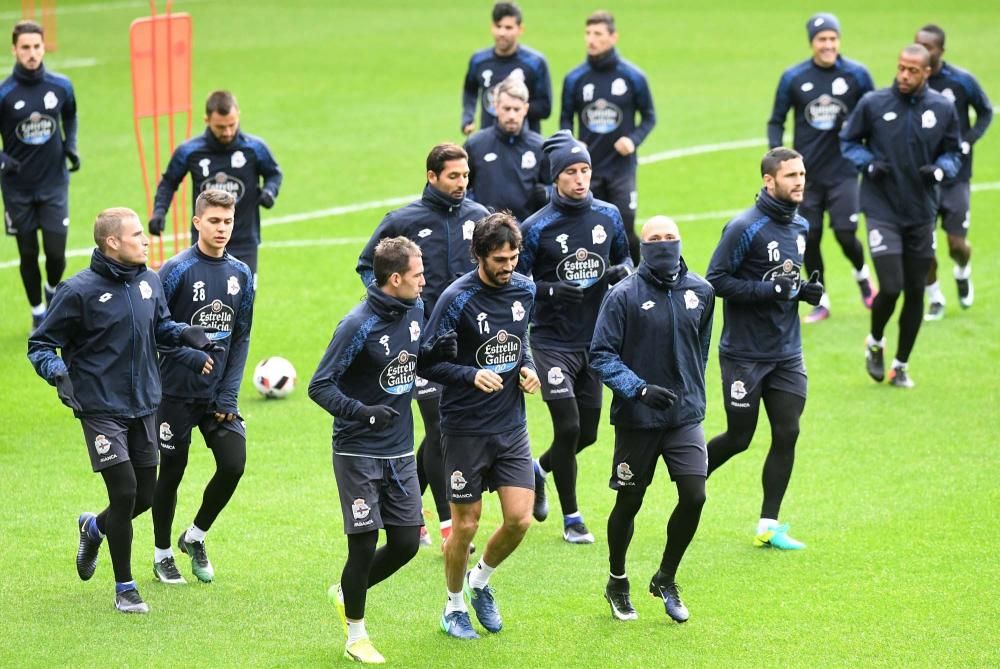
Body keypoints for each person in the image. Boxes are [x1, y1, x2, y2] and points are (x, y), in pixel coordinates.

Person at [27, 207, 218, 614]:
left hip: (145, 402)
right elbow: (40, 345)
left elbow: (160, 328)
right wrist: (57, 371)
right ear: (112, 242)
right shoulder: (77, 292)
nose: (145, 240)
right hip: (99, 407)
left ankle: (93, 527)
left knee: (143, 498)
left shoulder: (150, 281)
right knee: (125, 492)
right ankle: (125, 587)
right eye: (136, 235)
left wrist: (186, 334)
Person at [310, 237, 458, 664]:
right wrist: (362, 413)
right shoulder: (357, 325)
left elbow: (410, 363)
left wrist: (434, 355)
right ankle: (356, 635)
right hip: (358, 451)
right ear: (395, 279)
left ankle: (346, 590)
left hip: (399, 450)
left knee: (407, 544)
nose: (424, 281)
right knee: (362, 544)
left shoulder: (414, 309)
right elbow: (320, 385)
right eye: (418, 275)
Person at [357, 144, 489, 549]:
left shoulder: (478, 217)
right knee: (437, 426)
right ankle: (448, 524)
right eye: (453, 176)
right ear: (431, 176)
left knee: (446, 430)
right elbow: (367, 266)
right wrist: (394, 311)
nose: (461, 184)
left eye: (465, 176)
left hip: (466, 343)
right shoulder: (403, 221)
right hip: (418, 343)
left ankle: (409, 511)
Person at [420, 213, 539, 640]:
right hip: (465, 427)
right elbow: (425, 362)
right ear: (480, 256)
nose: (508, 266)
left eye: (513, 257)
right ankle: (453, 607)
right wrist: (470, 374)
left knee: (520, 520)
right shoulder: (456, 298)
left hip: (510, 425)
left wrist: (527, 368)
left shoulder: (525, 289)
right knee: (466, 525)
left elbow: (520, 339)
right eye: (500, 259)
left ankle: (480, 582)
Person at [591, 215, 714, 623]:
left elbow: (701, 349)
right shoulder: (623, 295)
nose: (664, 244)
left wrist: (693, 393)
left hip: (684, 416)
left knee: (695, 495)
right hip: (637, 418)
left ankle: (666, 577)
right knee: (629, 501)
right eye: (655, 239)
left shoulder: (702, 291)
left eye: (671, 238)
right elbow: (601, 355)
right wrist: (638, 389)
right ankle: (617, 580)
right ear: (643, 246)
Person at [704, 148, 824, 551]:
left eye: (802, 173)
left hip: (786, 353)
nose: (799, 181)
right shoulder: (744, 228)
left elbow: (787, 281)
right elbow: (715, 280)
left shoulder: (801, 226)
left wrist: (805, 292)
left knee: (787, 432)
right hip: (744, 354)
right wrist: (768, 290)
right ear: (768, 181)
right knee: (739, 437)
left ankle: (769, 525)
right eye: (791, 175)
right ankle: (688, 473)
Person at [517, 130, 632, 544]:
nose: (580, 178)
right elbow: (517, 281)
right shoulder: (536, 227)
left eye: (585, 170)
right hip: (551, 343)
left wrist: (623, 278)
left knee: (589, 433)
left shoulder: (609, 215)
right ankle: (572, 517)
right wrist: (549, 290)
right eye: (571, 171)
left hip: (595, 340)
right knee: (567, 427)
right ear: (555, 178)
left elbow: (625, 261)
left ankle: (539, 469)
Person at [150, 189, 255, 586]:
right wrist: (188, 357)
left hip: (216, 396)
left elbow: (240, 336)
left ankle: (195, 536)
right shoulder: (176, 270)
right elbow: (153, 333)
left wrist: (229, 392)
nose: (221, 228)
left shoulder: (241, 274)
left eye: (227, 221)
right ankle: (162, 555)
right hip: (174, 393)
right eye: (214, 221)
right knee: (171, 473)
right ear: (197, 222)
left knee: (234, 463)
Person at [841, 45, 961, 388]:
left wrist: (940, 170)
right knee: (891, 287)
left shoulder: (942, 107)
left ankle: (900, 365)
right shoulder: (874, 104)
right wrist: (868, 163)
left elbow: (954, 151)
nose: (904, 76)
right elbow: (848, 141)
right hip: (882, 211)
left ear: (927, 72)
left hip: (922, 213)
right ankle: (875, 341)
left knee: (915, 292)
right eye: (901, 68)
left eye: (912, 70)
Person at [767, 12, 877, 323]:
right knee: (809, 236)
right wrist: (776, 157)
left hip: (844, 170)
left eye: (832, 39)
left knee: (845, 233)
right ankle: (822, 300)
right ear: (812, 43)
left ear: (838, 40)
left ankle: (862, 276)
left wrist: (872, 154)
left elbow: (877, 113)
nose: (828, 45)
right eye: (822, 40)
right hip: (806, 176)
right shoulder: (794, 77)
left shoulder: (857, 75)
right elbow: (776, 120)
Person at [149, 90, 282, 280]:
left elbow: (274, 174)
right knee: (205, 301)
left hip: (244, 242)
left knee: (242, 303)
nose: (227, 132)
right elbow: (169, 182)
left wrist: (270, 191)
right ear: (207, 120)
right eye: (220, 127)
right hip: (205, 241)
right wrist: (159, 211)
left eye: (231, 125)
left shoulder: (254, 148)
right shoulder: (189, 151)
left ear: (238, 116)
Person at [560, 10, 656, 263]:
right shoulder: (575, 78)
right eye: (588, 33)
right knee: (589, 228)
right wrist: (573, 141)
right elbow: (565, 119)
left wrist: (633, 140)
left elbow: (649, 117)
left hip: (622, 169)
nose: (591, 39)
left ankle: (634, 277)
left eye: (598, 34)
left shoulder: (633, 77)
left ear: (613, 37)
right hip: (588, 168)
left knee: (625, 225)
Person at [1, 20, 78, 329]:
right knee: (28, 251)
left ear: (44, 47)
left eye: (36, 46)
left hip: (54, 182)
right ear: (14, 50)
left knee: (56, 252)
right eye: (25, 48)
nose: (31, 53)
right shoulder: (5, 93)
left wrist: (70, 145)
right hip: (17, 188)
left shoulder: (61, 86)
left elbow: (70, 116)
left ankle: (50, 290)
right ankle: (37, 311)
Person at [915, 25, 993, 321]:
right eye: (918, 44)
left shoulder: (961, 81)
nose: (922, 50)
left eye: (928, 46)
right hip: (921, 180)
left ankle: (962, 271)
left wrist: (967, 141)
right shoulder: (911, 81)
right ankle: (935, 298)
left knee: (956, 245)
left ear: (941, 51)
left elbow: (985, 111)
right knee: (924, 249)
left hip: (956, 175)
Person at [465, 77, 548, 221]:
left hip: (525, 232)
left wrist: (547, 193)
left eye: (516, 109)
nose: (511, 115)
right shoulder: (475, 145)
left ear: (526, 109)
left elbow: (558, 188)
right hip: (485, 232)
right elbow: (461, 187)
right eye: (506, 109)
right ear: (495, 107)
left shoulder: (540, 147)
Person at [462, 2, 551, 136]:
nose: (502, 33)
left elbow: (545, 107)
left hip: (526, 145)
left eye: (508, 27)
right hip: (488, 142)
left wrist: (511, 106)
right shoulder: (479, 61)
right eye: (498, 26)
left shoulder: (535, 63)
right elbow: (470, 90)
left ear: (520, 29)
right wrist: (468, 117)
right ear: (492, 27)